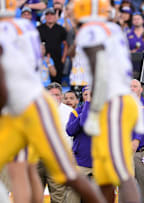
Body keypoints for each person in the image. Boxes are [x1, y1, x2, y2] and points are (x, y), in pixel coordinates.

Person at [0, 1, 105, 203]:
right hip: (29, 102)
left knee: (29, 170)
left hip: (23, 105)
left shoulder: (9, 31)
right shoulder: (26, 28)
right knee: (25, 169)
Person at [73, 0, 144, 202]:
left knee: (121, 172)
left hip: (112, 101)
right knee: (104, 174)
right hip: (118, 98)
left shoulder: (91, 31)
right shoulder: (112, 28)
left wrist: (95, 108)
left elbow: (101, 69)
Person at [64, 86, 93, 203]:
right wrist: (85, 111)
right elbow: (70, 131)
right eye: (86, 94)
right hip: (80, 162)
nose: (88, 97)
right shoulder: (76, 112)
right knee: (73, 196)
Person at [37, 7, 68, 83]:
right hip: (42, 61)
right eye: (47, 15)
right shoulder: (38, 29)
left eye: (52, 14)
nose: (49, 16)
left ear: (55, 16)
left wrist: (63, 58)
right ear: (45, 17)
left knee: (57, 83)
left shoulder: (61, 29)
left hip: (57, 60)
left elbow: (66, 44)